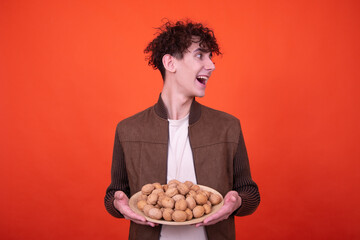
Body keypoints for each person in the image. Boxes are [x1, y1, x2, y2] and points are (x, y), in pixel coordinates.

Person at [104, 20, 260, 240]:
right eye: (200, 55)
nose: (211, 65)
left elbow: (249, 192)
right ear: (170, 63)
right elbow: (115, 194)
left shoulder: (228, 126)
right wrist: (116, 203)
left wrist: (238, 201)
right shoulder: (129, 130)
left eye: (210, 57)